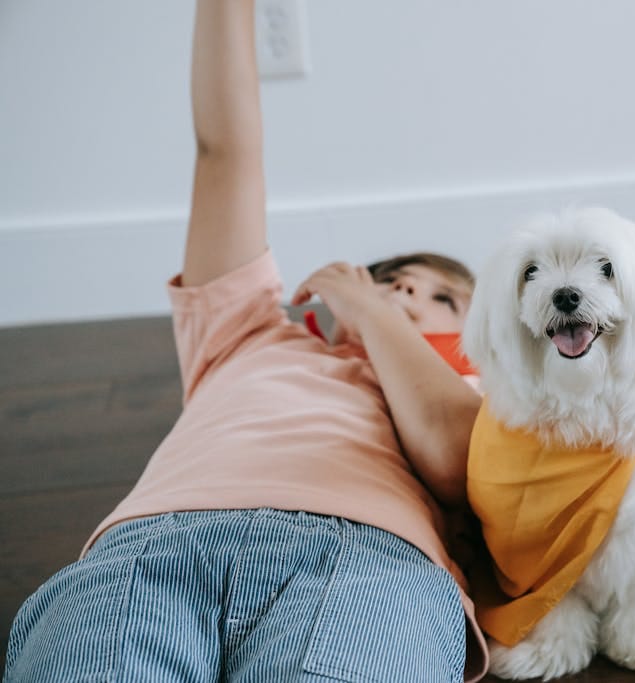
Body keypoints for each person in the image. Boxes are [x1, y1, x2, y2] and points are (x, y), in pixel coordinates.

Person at [3, 1, 488, 681]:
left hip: (367, 564)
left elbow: (453, 456)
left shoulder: (472, 388)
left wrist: (367, 304)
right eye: (398, 280)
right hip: (151, 550)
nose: (411, 294)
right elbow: (224, 152)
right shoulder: (248, 331)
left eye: (445, 301)